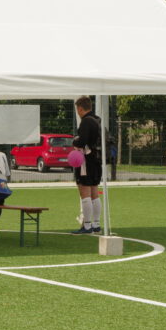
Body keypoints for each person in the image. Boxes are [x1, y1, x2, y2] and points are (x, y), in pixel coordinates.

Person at [71, 96, 103, 234]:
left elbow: (82, 141)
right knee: (95, 193)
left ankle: (87, 225)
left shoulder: (85, 122)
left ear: (80, 108)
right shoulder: (97, 120)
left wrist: (75, 141)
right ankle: (96, 224)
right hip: (96, 159)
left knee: (85, 192)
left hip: (86, 161)